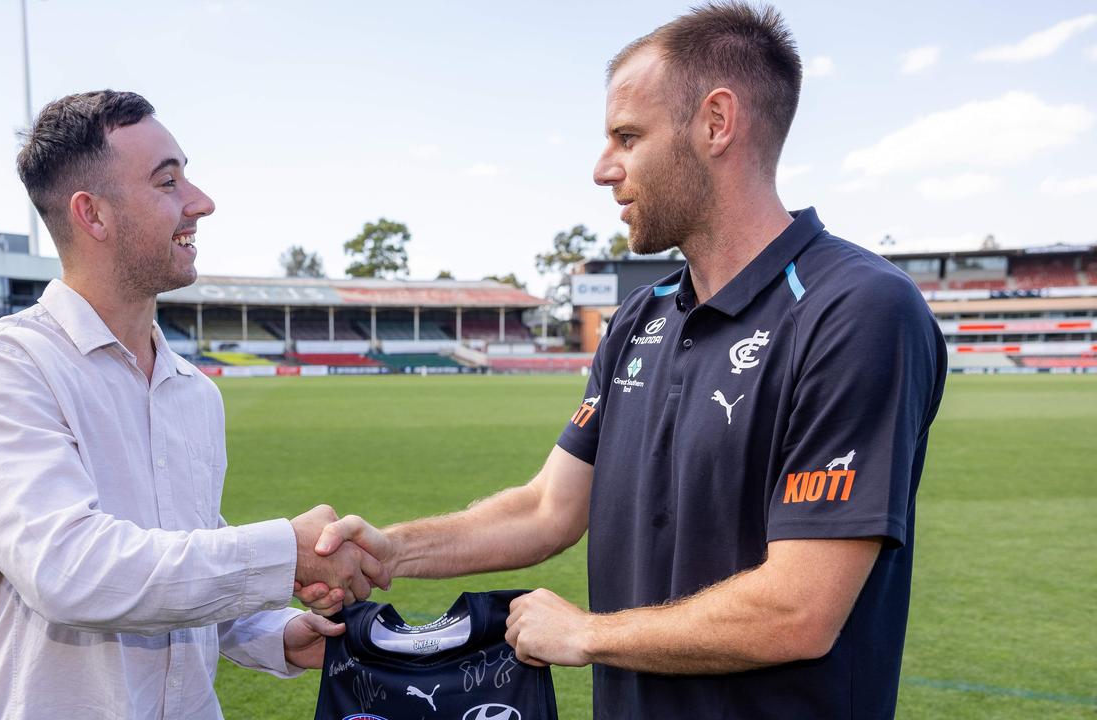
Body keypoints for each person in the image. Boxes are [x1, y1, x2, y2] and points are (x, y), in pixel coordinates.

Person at [299, 4, 947, 718]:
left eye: (627, 137)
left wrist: (587, 634)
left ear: (716, 122)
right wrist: (391, 552)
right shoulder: (641, 318)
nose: (603, 168)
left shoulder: (856, 308)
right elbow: (550, 507)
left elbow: (799, 607)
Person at [0, 90, 385, 719]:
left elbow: (180, 561)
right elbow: (71, 571)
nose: (200, 202)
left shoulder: (192, 390)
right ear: (93, 215)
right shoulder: (7, 366)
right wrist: (286, 550)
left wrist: (272, 632)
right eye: (167, 181)